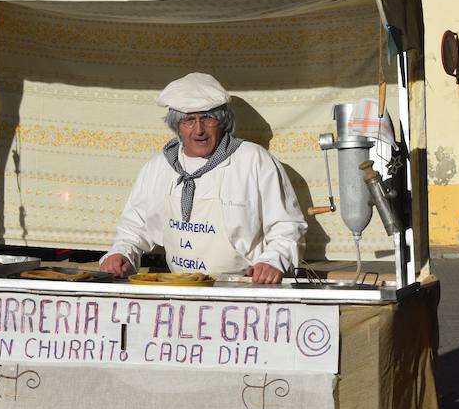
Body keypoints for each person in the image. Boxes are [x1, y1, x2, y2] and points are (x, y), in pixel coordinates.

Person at [98, 73, 307, 284]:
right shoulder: (158, 168)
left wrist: (273, 261)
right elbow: (134, 227)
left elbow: (287, 226)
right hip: (181, 287)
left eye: (207, 118)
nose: (199, 130)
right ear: (176, 125)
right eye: (189, 120)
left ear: (223, 121)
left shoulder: (253, 161)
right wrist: (121, 254)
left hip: (245, 289)